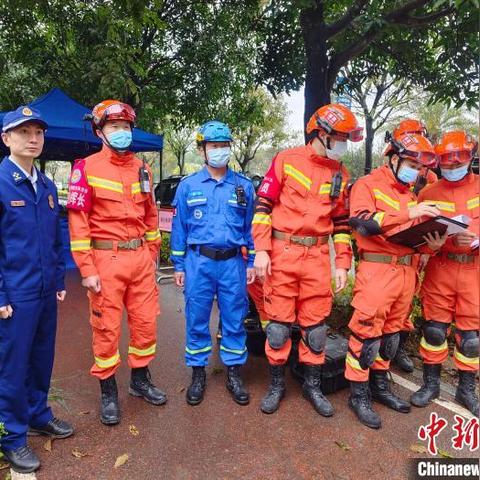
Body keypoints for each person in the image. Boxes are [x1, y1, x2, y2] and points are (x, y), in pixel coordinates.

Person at [253, 103, 361, 415]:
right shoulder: (286, 160)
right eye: (340, 138)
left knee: (315, 328)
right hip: (282, 253)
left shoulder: (341, 173)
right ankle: (276, 384)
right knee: (278, 328)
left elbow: (341, 223)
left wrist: (341, 263)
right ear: (322, 133)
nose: (343, 145)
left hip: (316, 256)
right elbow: (263, 207)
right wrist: (261, 249)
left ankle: (313, 385)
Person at [68, 100, 165, 426]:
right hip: (105, 259)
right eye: (114, 127)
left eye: (125, 127)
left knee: (146, 322)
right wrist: (87, 268)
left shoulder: (144, 168)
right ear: (99, 131)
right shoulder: (85, 168)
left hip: (139, 258)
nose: (121, 132)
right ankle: (108, 391)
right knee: (106, 328)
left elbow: (151, 215)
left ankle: (140, 380)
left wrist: (152, 254)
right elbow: (78, 222)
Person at [346, 131, 445, 429]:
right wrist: (409, 211)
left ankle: (380, 385)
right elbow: (362, 222)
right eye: (410, 164)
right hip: (377, 271)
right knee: (366, 337)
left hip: (405, 272)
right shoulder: (368, 185)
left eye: (419, 167)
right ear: (392, 158)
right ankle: (358, 394)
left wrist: (432, 245)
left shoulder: (411, 195)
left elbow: (412, 240)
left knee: (390, 338)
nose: (415, 171)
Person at [0, 106, 72, 473]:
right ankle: (12, 437)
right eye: (24, 132)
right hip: (14, 295)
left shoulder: (45, 185)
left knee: (42, 358)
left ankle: (38, 414)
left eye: (39, 133)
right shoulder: (0, 182)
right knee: (13, 366)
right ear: (6, 138)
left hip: (45, 292)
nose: (33, 138)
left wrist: (59, 280)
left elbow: (55, 239)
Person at [170, 120, 256, 406]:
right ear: (203, 149)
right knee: (196, 319)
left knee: (234, 319)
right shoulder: (188, 186)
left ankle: (233, 373)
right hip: (199, 264)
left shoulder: (243, 187)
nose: (219, 151)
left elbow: (251, 229)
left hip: (233, 265)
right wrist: (179, 266)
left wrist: (253, 262)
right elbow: (179, 228)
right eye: (214, 146)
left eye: (224, 146)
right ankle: (198, 374)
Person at [411, 131, 479, 416]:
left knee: (470, 336)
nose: (452, 168)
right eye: (446, 164)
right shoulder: (429, 193)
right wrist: (433, 246)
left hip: (473, 270)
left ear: (470, 157)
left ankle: (467, 389)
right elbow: (417, 236)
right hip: (441, 267)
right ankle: (431, 384)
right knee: (434, 330)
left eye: (457, 162)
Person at [383, 118, 436, 373]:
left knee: (405, 306)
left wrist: (426, 251)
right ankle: (381, 357)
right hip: (387, 254)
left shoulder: (429, 176)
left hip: (414, 253)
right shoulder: (384, 177)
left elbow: (430, 216)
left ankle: (398, 349)